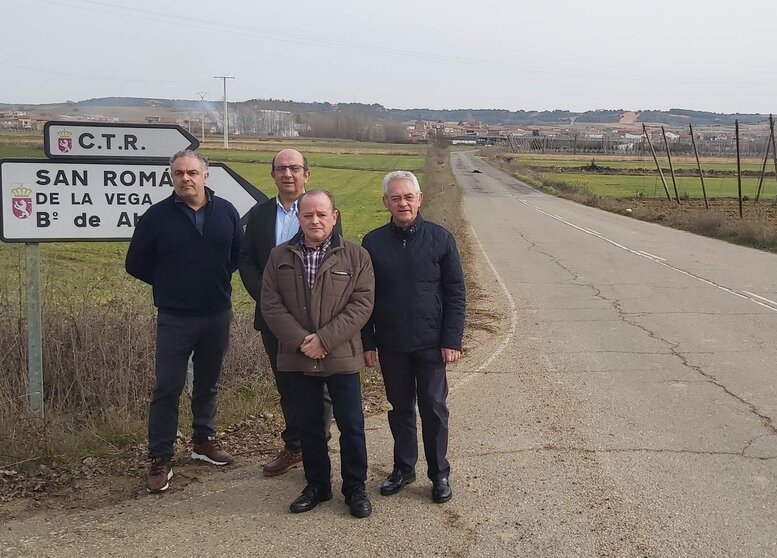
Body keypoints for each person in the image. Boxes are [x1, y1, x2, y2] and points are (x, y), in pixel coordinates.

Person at [125, 150, 242, 494]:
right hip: (175, 317)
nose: (185, 178)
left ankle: (203, 441)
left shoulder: (227, 212)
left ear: (206, 176)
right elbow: (136, 263)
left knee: (208, 382)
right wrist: (170, 284)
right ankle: (161, 457)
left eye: (192, 172)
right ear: (171, 178)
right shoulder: (156, 217)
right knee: (167, 388)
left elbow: (237, 255)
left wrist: (211, 280)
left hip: (217, 313)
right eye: (178, 173)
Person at [261, 190, 375, 518]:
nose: (315, 220)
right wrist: (301, 341)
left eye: (322, 214)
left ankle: (355, 487)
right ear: (298, 217)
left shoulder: (356, 256)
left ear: (334, 217)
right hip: (299, 357)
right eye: (308, 214)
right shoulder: (279, 256)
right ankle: (317, 485)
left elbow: (362, 304)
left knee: (352, 425)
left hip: (341, 355)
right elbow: (270, 304)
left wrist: (325, 339)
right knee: (309, 425)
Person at [361, 170, 465, 504]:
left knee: (434, 408)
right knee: (400, 408)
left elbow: (455, 293)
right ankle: (404, 468)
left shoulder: (441, 239)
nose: (402, 203)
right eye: (395, 197)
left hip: (432, 343)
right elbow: (363, 297)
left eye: (408, 196)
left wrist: (452, 339)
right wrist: (367, 342)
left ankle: (440, 475)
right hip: (391, 343)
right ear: (385, 202)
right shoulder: (372, 243)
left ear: (419, 199)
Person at [239, 149, 336, 477]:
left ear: (306, 174)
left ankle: (317, 446)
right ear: (273, 175)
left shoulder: (320, 210)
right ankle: (295, 446)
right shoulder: (260, 214)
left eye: (295, 168)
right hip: (273, 318)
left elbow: (334, 262)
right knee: (287, 384)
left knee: (318, 383)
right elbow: (248, 261)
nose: (288, 174)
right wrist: (268, 300)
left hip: (314, 318)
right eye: (281, 169)